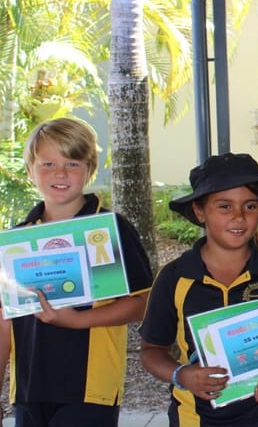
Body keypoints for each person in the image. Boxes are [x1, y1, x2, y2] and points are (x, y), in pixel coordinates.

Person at [0, 117, 154, 426]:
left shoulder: (107, 229)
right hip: (29, 390)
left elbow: (142, 303)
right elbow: (5, 318)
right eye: (48, 164)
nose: (60, 173)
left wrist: (76, 320)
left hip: (90, 390)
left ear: (89, 168)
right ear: (30, 170)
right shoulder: (17, 241)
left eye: (72, 163)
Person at [139, 152, 258, 427]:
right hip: (193, 419)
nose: (239, 217)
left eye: (250, 206)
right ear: (200, 211)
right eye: (225, 206)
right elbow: (151, 350)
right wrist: (182, 375)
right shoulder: (175, 278)